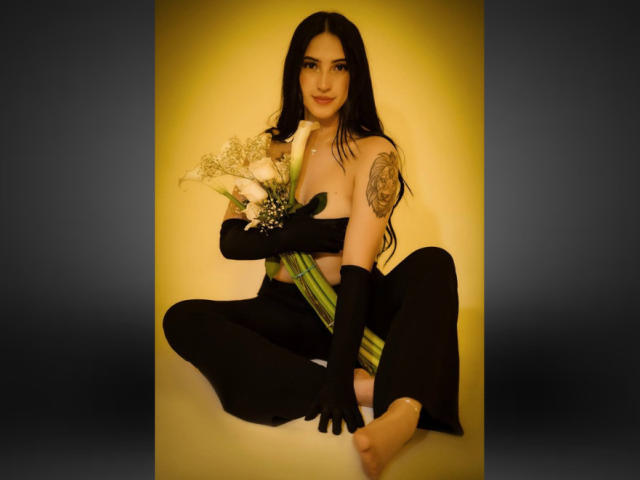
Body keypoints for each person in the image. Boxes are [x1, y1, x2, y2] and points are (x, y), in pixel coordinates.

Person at [163, 11, 462, 480]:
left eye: (339, 67)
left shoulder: (374, 152)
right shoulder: (268, 149)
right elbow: (230, 241)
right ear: (295, 72)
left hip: (355, 304)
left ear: (354, 75)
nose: (324, 82)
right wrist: (297, 235)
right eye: (311, 65)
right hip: (283, 309)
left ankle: (404, 411)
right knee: (181, 318)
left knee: (434, 262)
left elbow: (358, 270)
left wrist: (340, 367)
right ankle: (373, 389)